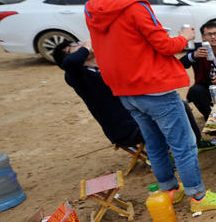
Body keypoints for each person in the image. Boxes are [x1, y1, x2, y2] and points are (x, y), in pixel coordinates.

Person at [84, 0, 216, 213]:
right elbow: (164, 46)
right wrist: (185, 36)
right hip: (153, 87)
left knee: (154, 142)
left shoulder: (93, 9)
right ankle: (198, 196)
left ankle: (169, 190)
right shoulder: (135, 7)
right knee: (183, 143)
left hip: (124, 90)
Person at [53, 40, 208, 150]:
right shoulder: (77, 76)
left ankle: (197, 143)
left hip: (140, 111)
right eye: (72, 46)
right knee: (173, 113)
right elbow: (70, 64)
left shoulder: (105, 65)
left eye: (76, 43)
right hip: (126, 128)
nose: (78, 44)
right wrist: (86, 47)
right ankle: (173, 154)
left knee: (179, 104)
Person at [180, 21, 216, 119]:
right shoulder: (198, 50)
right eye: (209, 34)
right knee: (195, 90)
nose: (213, 37)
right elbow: (181, 64)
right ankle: (210, 117)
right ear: (203, 37)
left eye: (215, 34)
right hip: (205, 88)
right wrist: (193, 56)